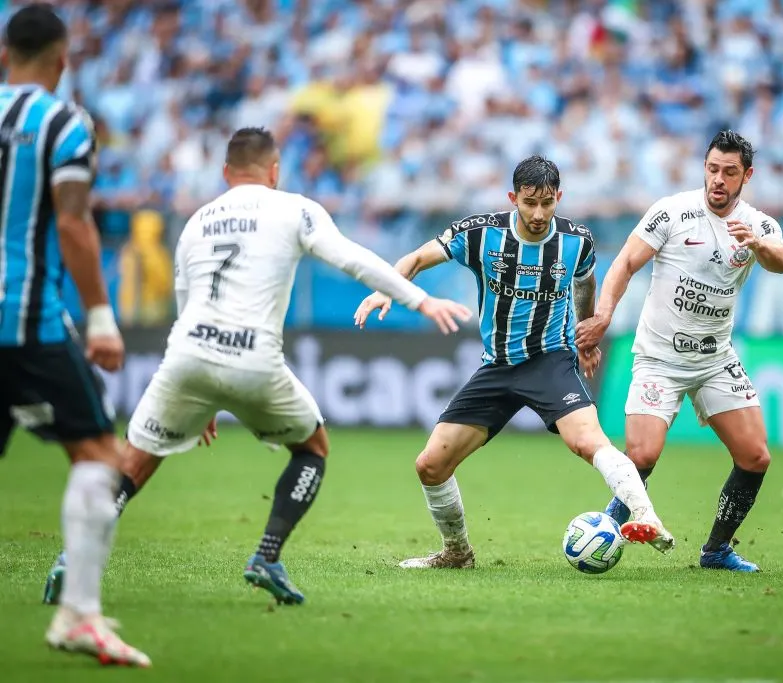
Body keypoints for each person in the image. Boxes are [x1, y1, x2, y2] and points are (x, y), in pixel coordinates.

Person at [43, 127, 471, 605]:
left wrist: (201, 401)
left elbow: (184, 308)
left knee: (136, 459)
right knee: (312, 448)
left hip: (186, 356)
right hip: (251, 356)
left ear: (226, 172)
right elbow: (352, 260)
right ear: (274, 170)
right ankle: (266, 555)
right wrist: (420, 299)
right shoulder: (294, 208)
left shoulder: (196, 222)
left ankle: (73, 557)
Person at [355, 155, 675, 569]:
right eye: (529, 203)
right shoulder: (480, 234)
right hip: (498, 366)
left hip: (550, 361)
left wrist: (586, 336)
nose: (539, 213)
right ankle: (457, 553)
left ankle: (647, 516)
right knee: (430, 465)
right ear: (513, 198)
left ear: (559, 197)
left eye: (547, 203)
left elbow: (585, 282)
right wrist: (387, 289)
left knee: (588, 442)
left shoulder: (576, 241)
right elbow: (415, 259)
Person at [0, 4, 150, 667]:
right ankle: (79, 616)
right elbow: (72, 222)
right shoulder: (64, 121)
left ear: (5, 54)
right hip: (24, 315)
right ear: (62, 62)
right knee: (96, 453)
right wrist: (98, 315)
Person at [576, 131, 783, 573]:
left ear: (746, 176)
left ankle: (715, 551)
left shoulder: (759, 225)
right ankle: (610, 526)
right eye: (712, 169)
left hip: (715, 360)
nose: (718, 179)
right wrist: (603, 316)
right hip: (660, 358)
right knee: (642, 456)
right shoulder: (672, 211)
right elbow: (626, 263)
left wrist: (757, 243)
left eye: (730, 173)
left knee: (755, 457)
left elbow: (780, 260)